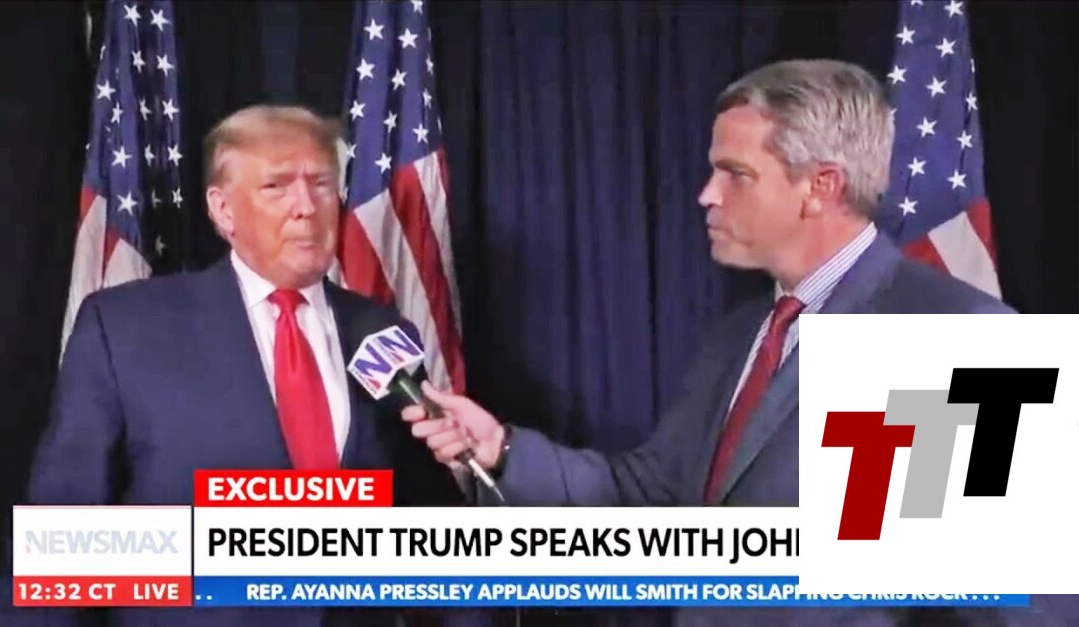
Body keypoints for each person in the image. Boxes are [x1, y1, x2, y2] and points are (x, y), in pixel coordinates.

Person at [402, 60, 1022, 627]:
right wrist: (502, 450)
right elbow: (649, 497)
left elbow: (1012, 606)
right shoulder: (740, 335)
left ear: (821, 186)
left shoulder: (959, 336)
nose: (707, 194)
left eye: (736, 174)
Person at [0, 105, 463, 626]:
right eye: (276, 186)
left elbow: (432, 530)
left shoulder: (381, 333)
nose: (306, 207)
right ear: (223, 211)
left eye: (322, 184)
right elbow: (61, 532)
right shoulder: (125, 329)